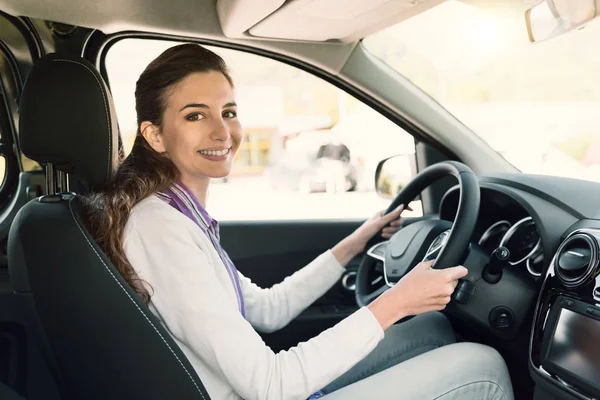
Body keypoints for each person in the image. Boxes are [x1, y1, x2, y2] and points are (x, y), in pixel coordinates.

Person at [84, 43, 514, 400]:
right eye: (195, 115)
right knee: (484, 366)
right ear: (154, 134)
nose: (222, 131)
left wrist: (355, 243)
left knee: (434, 328)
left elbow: (268, 311)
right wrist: (397, 301)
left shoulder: (179, 215)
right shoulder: (160, 229)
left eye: (228, 111)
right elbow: (271, 385)